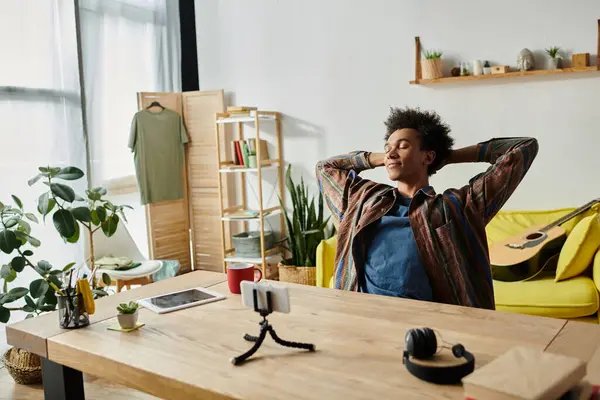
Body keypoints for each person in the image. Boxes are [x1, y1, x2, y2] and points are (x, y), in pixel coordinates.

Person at [316, 107, 538, 310]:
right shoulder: (363, 199)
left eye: (403, 146)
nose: (391, 153)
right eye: (387, 148)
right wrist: (379, 158)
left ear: (428, 156)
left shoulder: (458, 208)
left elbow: (523, 148)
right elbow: (325, 167)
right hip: (364, 316)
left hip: (431, 325)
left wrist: (448, 156)